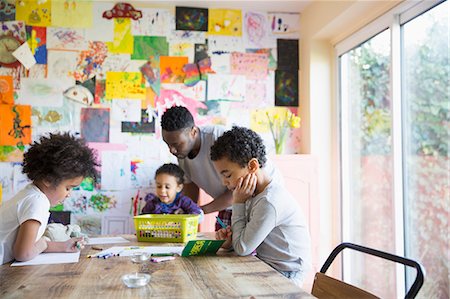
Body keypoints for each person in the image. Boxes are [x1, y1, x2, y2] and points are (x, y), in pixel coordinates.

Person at [211, 126, 311, 287]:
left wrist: (237, 204)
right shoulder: (251, 194)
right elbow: (242, 242)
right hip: (266, 265)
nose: (224, 182)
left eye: (227, 175)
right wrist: (230, 242)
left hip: (286, 273)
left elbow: (243, 248)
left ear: (252, 166)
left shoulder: (269, 201)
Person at [160, 106, 282, 230]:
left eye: (176, 144)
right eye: (167, 144)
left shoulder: (219, 138)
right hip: (231, 204)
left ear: (193, 132)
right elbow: (190, 187)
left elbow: (239, 187)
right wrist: (188, 212)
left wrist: (200, 211)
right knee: (224, 244)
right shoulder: (181, 153)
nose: (172, 150)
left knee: (245, 246)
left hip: (256, 200)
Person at [0, 132, 98, 265]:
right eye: (68, 188)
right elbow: (22, 253)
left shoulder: (30, 194)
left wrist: (63, 246)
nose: (69, 194)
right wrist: (43, 243)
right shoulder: (37, 201)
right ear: (48, 179)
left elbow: (28, 247)